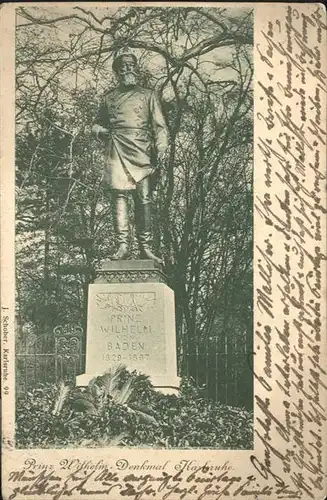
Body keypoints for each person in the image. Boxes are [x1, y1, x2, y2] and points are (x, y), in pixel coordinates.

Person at [92, 50, 169, 264]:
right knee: (118, 196)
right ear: (117, 72)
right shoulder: (109, 98)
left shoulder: (148, 95)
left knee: (144, 198)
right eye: (123, 66)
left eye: (131, 65)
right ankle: (122, 246)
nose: (128, 69)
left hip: (142, 150)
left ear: (136, 68)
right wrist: (102, 132)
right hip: (116, 148)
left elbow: (160, 125)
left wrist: (161, 148)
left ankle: (146, 247)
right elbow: (96, 124)